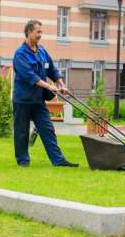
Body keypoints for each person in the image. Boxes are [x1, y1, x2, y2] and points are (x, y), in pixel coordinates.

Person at [12, 19, 78, 168]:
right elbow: (31, 77)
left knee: (47, 129)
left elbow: (52, 70)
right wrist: (49, 86)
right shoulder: (20, 54)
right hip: (22, 100)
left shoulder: (41, 51)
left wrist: (61, 84)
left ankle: (58, 161)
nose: (40, 35)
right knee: (21, 132)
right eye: (38, 32)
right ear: (29, 32)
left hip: (38, 100)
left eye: (41, 32)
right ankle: (23, 161)